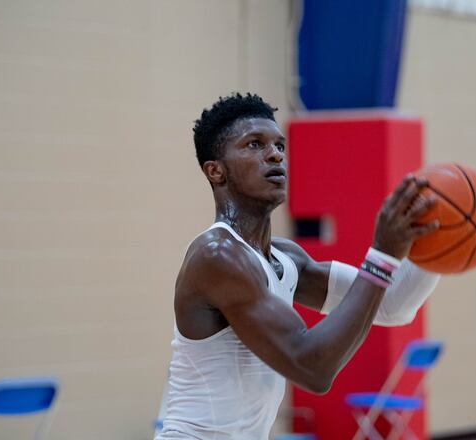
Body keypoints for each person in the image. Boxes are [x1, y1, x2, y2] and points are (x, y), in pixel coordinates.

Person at [156, 93, 441, 440]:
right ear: (216, 171)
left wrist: (440, 242)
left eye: (279, 145)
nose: (275, 154)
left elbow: (394, 303)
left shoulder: (286, 259)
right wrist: (381, 254)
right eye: (254, 145)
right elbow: (312, 367)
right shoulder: (217, 256)